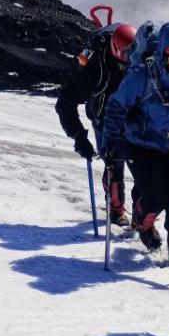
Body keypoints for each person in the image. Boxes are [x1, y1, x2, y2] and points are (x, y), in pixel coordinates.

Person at [101, 20, 169, 266]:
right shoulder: (142, 76)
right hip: (142, 142)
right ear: (166, 52)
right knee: (155, 198)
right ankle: (142, 223)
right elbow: (116, 106)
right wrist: (111, 142)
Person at [55, 21, 136, 227]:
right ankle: (117, 212)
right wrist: (79, 137)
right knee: (113, 167)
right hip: (104, 122)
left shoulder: (140, 60)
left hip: (134, 122)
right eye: (124, 55)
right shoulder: (95, 68)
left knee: (142, 172)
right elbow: (65, 102)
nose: (128, 60)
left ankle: (141, 219)